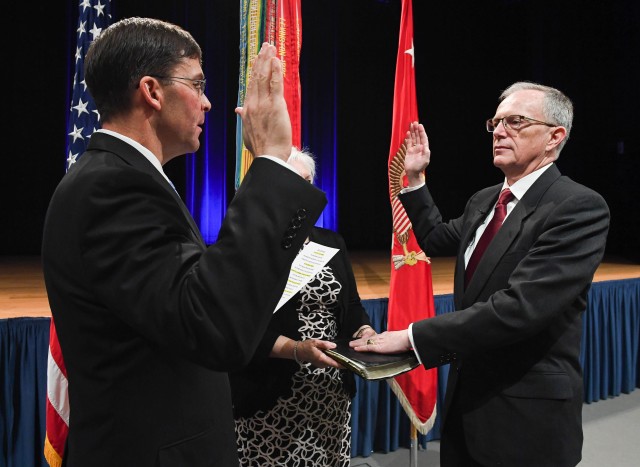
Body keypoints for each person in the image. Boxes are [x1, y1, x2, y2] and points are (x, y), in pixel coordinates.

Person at [41, 17, 327, 467]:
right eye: (197, 84)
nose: (209, 103)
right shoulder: (111, 188)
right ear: (152, 92)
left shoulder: (122, 180)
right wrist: (271, 165)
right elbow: (213, 324)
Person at [351, 82, 610, 467]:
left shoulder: (578, 207)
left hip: (525, 420)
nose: (500, 131)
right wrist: (418, 180)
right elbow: (437, 238)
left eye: (516, 121)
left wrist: (411, 336)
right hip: (465, 409)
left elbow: (518, 308)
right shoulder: (485, 199)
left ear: (555, 136)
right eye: (496, 122)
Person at [230, 148, 376, 467]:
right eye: (295, 183)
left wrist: (364, 330)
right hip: (272, 394)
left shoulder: (331, 241)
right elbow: (239, 327)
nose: (304, 192)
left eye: (308, 183)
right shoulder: (249, 248)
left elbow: (350, 305)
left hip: (329, 392)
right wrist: (298, 349)